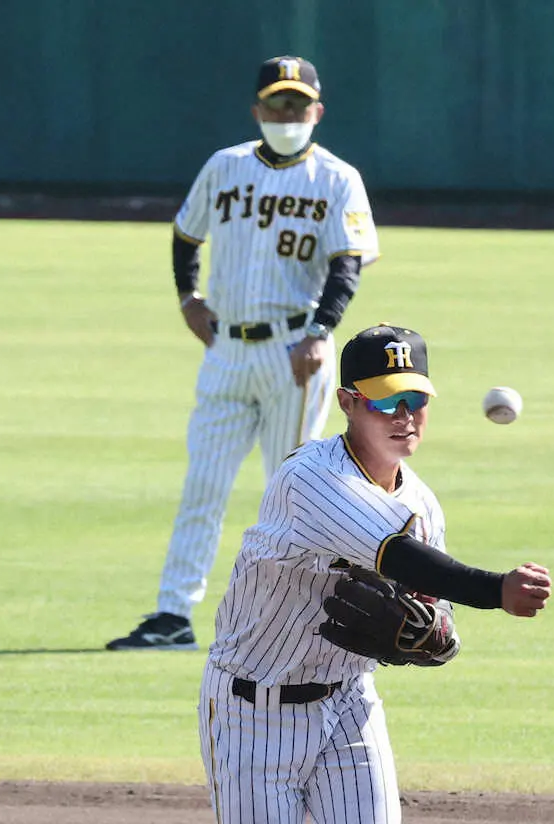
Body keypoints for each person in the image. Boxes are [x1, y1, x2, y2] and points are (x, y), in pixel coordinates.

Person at [197, 324, 553, 824]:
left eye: (417, 401)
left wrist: (439, 637)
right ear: (348, 404)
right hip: (248, 714)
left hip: (346, 713)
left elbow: (427, 619)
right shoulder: (308, 480)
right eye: (388, 403)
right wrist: (495, 590)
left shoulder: (421, 502)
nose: (406, 417)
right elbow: (404, 565)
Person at [107, 55, 378, 651]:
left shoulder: (336, 178)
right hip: (226, 349)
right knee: (203, 485)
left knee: (297, 493)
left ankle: (308, 620)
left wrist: (319, 330)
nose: (287, 115)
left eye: (298, 105)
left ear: (317, 111)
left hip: (294, 352)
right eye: (277, 104)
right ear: (257, 110)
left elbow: (347, 265)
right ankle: (172, 614)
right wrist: (189, 298)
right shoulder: (225, 167)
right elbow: (186, 234)